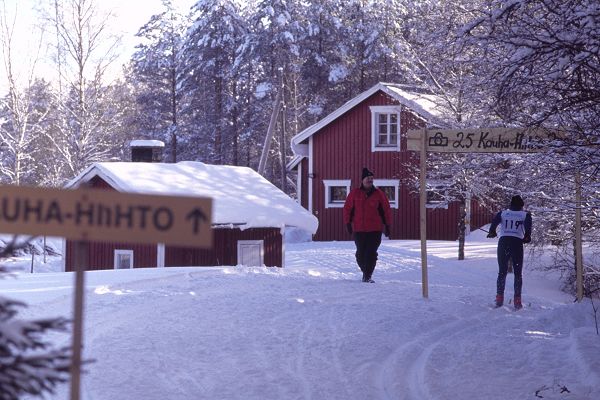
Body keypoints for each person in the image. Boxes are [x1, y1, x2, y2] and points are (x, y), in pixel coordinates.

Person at [343, 167, 392, 283]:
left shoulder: (379, 194)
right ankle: (366, 272)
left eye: (371, 178)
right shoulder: (354, 193)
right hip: (359, 229)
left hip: (375, 229)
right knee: (360, 254)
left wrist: (388, 225)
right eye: (367, 178)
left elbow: (386, 210)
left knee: (371, 252)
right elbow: (347, 209)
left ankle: (367, 276)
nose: (370, 180)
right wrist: (348, 223)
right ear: (362, 180)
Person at [487, 195, 532, 309]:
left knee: (502, 271)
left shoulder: (503, 213)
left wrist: (492, 232)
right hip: (516, 243)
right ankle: (517, 301)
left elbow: (494, 223)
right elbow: (528, 227)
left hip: (503, 242)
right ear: (521, 206)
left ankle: (499, 299)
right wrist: (527, 236)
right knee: (518, 273)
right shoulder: (525, 215)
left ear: (511, 205)